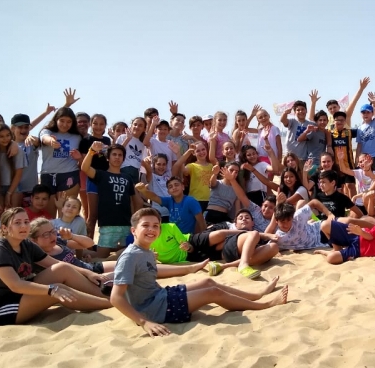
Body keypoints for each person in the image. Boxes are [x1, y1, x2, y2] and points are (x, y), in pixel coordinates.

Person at [110, 208, 288, 337]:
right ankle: (265, 305)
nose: (152, 230)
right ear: (134, 230)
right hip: (155, 311)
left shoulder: (146, 250)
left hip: (160, 296)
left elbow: (154, 272)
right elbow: (116, 297)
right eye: (146, 226)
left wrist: (190, 268)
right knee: (212, 292)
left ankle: (257, 295)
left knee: (207, 283)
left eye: (156, 226)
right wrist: (144, 322)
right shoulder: (130, 256)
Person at [0, 208, 111, 326]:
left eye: (26, 221)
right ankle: (109, 304)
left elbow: (56, 264)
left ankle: (109, 296)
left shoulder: (26, 244)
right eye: (17, 223)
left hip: (22, 293)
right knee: (58, 291)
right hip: (0, 307)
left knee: (62, 269)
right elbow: (15, 285)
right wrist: (50, 290)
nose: (23, 226)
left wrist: (88, 273)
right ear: (5, 228)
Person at [81, 141, 136, 257]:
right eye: (114, 154)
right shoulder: (101, 175)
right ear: (108, 158)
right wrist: (91, 151)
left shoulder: (128, 178)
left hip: (126, 224)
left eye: (120, 155)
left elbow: (131, 200)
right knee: (101, 256)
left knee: (125, 255)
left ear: (123, 158)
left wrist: (134, 221)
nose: (117, 157)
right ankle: (76, 253)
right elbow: (85, 168)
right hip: (108, 224)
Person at [38, 108, 83, 217]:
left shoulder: (78, 137)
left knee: (66, 215)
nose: (65, 124)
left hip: (69, 174)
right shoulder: (47, 132)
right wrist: (51, 141)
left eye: (69, 121)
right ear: (56, 120)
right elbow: (44, 138)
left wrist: (79, 157)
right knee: (49, 216)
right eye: (62, 120)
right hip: (48, 175)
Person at [135, 176, 206, 235]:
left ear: (183, 187)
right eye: (170, 186)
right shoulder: (169, 201)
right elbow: (155, 197)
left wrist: (202, 239)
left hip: (188, 239)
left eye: (176, 185)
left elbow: (201, 221)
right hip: (173, 238)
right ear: (168, 191)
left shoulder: (190, 201)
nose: (174, 188)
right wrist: (144, 191)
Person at [0, 123, 25, 212]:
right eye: (1, 136)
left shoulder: (17, 150)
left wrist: (9, 193)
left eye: (8, 135)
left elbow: (18, 174)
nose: (5, 139)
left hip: (14, 187)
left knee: (12, 216)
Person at [356, 93, 375, 170]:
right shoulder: (360, 128)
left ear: (372, 113)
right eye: (363, 112)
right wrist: (357, 158)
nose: (366, 114)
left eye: (368, 112)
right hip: (365, 158)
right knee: (367, 179)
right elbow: (359, 145)